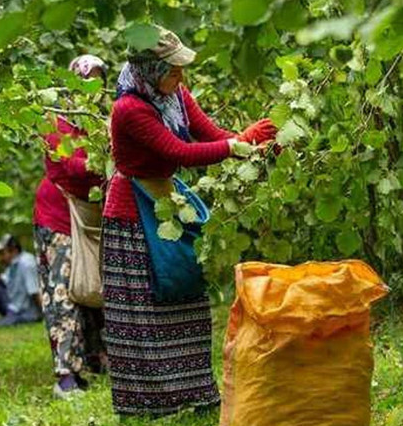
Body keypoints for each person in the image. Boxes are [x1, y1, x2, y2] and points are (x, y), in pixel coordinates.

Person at [102, 26, 277, 417]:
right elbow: (179, 151)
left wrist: (252, 145)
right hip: (133, 210)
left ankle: (193, 392)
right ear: (150, 68)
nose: (181, 77)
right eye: (174, 69)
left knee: (184, 289)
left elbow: (212, 135)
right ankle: (149, 402)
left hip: (168, 201)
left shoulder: (176, 96)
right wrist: (236, 145)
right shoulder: (129, 108)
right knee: (146, 305)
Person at [33, 54, 108, 399]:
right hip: (58, 217)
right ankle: (65, 374)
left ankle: (96, 358)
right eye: (85, 80)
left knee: (92, 286)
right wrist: (106, 159)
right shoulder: (57, 124)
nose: (91, 87)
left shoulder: (98, 123)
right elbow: (74, 168)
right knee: (63, 292)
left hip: (91, 218)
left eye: (98, 80)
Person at [0, 234, 42, 330]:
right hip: (13, 306)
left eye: (2, 253)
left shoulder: (27, 264)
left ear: (13, 251)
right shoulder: (13, 264)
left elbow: (35, 292)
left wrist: (47, 316)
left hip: (25, 313)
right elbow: (5, 281)